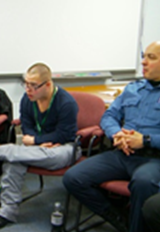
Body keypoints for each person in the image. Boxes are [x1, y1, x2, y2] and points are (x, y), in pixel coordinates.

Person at [63, 41, 160, 232]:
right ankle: (120, 220)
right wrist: (116, 133)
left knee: (143, 183)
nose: (143, 62)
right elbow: (109, 116)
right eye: (143, 56)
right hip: (123, 154)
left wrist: (145, 140)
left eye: (152, 58)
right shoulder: (133, 88)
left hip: (153, 159)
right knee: (73, 178)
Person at [0, 63, 79, 230]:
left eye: (33, 86)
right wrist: (38, 142)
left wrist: (36, 141)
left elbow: (65, 135)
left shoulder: (66, 102)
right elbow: (27, 126)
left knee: (20, 155)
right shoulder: (28, 99)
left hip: (64, 148)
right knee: (14, 161)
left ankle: (1, 151)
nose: (28, 89)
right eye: (26, 84)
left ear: (48, 84)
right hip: (36, 148)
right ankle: (7, 213)